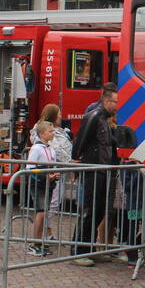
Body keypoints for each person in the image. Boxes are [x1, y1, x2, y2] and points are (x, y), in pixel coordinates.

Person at [70, 87, 118, 266]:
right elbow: (81, 138)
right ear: (107, 102)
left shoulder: (105, 119)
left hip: (103, 170)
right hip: (94, 170)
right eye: (115, 102)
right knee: (90, 211)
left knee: (99, 211)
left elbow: (107, 142)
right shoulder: (94, 116)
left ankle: (90, 248)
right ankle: (78, 251)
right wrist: (76, 159)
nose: (117, 106)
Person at [34, 104, 73, 244]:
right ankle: (41, 235)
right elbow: (54, 149)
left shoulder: (60, 131)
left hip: (59, 171)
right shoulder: (41, 131)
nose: (61, 116)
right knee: (50, 204)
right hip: (49, 174)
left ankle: (47, 232)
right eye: (59, 114)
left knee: (55, 203)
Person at [26, 121, 59, 256]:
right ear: (41, 134)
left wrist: (54, 175)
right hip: (39, 184)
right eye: (50, 131)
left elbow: (54, 165)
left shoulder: (51, 149)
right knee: (40, 212)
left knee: (44, 212)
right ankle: (34, 243)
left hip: (49, 184)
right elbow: (30, 168)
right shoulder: (36, 149)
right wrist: (46, 176)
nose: (52, 133)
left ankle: (39, 242)